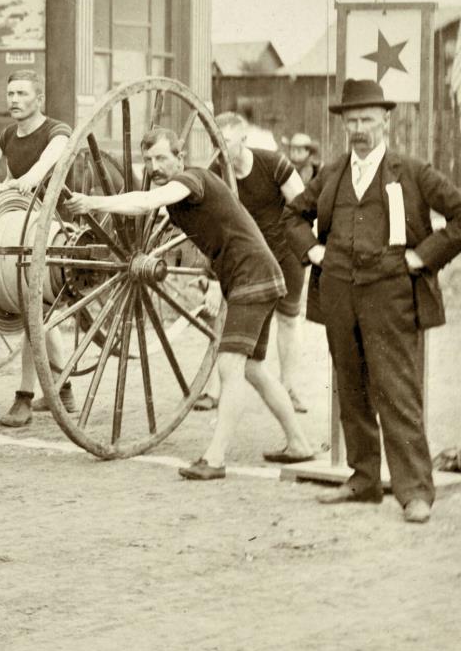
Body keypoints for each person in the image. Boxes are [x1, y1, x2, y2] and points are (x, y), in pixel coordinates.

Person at [65, 128, 317, 482]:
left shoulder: (193, 179)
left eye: (162, 158)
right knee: (253, 369)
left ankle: (214, 459)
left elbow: (143, 202)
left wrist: (93, 203)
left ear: (180, 158)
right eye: (149, 160)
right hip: (250, 276)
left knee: (230, 367)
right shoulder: (177, 197)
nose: (155, 167)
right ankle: (300, 443)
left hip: (252, 275)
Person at [291, 79, 461, 525]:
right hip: (339, 291)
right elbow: (291, 217)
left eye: (367, 119)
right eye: (352, 121)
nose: (360, 128)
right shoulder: (331, 173)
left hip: (392, 293)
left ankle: (415, 491)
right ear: (344, 126)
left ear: (386, 120)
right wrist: (312, 250)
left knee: (397, 391)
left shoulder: (413, 171)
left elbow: (460, 215)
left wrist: (423, 256)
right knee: (350, 387)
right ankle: (363, 478)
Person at [214, 111, 316, 413]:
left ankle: (289, 387)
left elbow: (304, 206)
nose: (219, 148)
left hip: (285, 252)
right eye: (214, 141)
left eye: (226, 141)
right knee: (232, 317)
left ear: (243, 140)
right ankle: (224, 391)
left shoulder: (273, 163)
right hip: (247, 259)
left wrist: (310, 247)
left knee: (288, 317)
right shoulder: (215, 171)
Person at [0, 69, 75, 428]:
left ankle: (24, 397)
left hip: (55, 228)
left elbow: (47, 164)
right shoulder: (8, 135)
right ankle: (65, 389)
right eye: (11, 93)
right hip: (20, 225)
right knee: (39, 313)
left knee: (32, 311)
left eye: (22, 94)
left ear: (38, 98)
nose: (14, 100)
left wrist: (27, 180)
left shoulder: (56, 131)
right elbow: (2, 180)